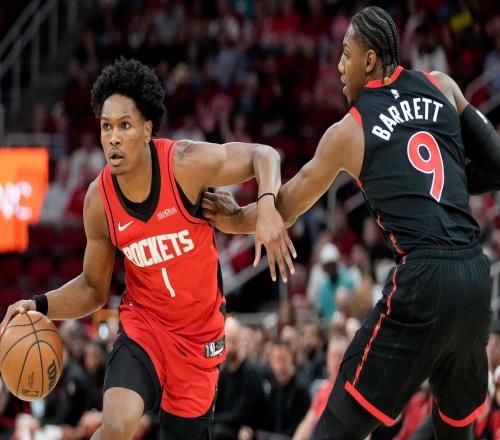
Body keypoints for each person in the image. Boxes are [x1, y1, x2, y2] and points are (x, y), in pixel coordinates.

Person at [202, 6, 500, 439]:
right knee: (456, 432)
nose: (339, 66)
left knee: (337, 426)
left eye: (346, 54)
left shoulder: (350, 130)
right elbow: (497, 166)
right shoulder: (443, 86)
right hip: (474, 275)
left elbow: (288, 205)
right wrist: (444, 182)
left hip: (423, 277)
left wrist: (232, 221)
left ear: (369, 60)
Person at [0, 58, 295, 440]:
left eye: (124, 125)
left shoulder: (184, 165)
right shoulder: (99, 200)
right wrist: (38, 304)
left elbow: (264, 155)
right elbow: (92, 288)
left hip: (199, 336)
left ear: (147, 129)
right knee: (116, 425)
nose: (113, 137)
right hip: (146, 325)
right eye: (106, 126)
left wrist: (267, 205)